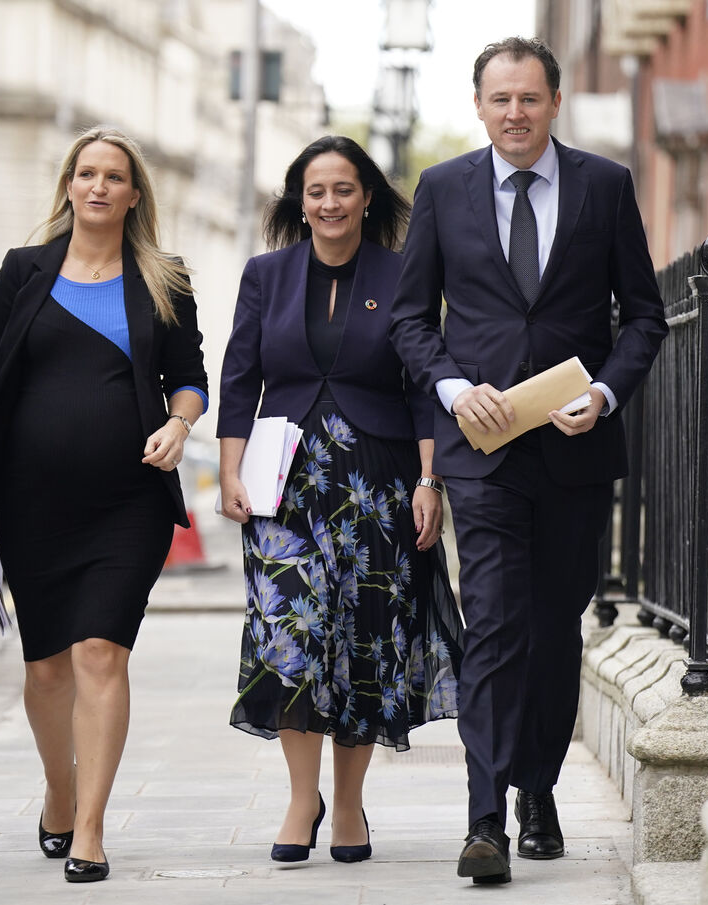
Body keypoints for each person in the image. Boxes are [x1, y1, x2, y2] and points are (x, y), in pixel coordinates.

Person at [389, 37, 668, 884]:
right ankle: (484, 818)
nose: (515, 113)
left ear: (554, 103)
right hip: (482, 452)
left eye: (530, 98)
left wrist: (609, 394)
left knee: (553, 629)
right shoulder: (441, 189)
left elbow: (645, 317)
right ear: (479, 106)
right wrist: (449, 387)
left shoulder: (605, 186)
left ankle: (536, 787)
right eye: (500, 99)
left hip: (575, 452)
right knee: (499, 625)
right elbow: (410, 320)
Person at [217, 135, 463, 865]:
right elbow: (238, 376)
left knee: (363, 642)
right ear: (299, 199)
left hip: (377, 483)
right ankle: (302, 797)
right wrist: (230, 471)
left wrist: (430, 481)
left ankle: (349, 801)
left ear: (367, 198)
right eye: (316, 190)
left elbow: (425, 384)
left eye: (344, 190)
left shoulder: (402, 272)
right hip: (282, 486)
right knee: (290, 641)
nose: (329, 203)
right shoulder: (266, 274)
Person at [0, 126, 207, 884]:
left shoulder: (164, 277)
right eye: (86, 173)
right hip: (33, 502)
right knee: (45, 671)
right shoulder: (24, 270)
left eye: (114, 176)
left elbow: (191, 375)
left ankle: (92, 829)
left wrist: (178, 422)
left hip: (126, 504)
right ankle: (60, 791)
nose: (99, 185)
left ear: (135, 193)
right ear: (68, 185)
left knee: (100, 652)